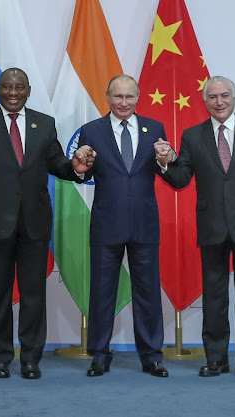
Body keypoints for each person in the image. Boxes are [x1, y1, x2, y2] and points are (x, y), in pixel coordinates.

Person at [0, 68, 95, 380]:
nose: (13, 92)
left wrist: (77, 167)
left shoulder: (44, 123)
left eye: (19, 87)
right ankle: (0, 359)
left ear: (28, 90)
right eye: (7, 87)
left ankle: (31, 359)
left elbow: (57, 163)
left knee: (34, 295)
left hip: (34, 223)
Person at [155, 75, 235, 380]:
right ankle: (216, 359)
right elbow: (181, 179)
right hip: (211, 227)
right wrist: (165, 162)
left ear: (234, 99)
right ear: (205, 102)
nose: (219, 102)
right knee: (214, 296)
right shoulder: (193, 136)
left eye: (224, 96)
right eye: (212, 97)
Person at [77, 74, 169, 378]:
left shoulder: (155, 129)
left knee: (148, 293)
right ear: (107, 97)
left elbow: (169, 169)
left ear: (138, 97)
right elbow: (82, 173)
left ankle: (152, 356)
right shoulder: (91, 131)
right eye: (118, 97)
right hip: (107, 223)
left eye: (130, 97)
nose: (124, 103)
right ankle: (99, 355)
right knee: (102, 292)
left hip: (144, 222)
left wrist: (166, 161)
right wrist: (81, 164)